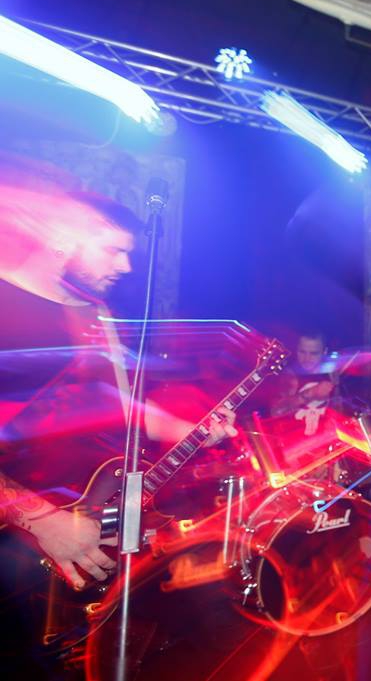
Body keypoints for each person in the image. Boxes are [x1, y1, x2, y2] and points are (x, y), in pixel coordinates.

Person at [0, 187, 236, 593]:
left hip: (76, 543)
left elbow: (119, 409)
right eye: (113, 250)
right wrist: (45, 522)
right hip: (18, 543)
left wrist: (188, 429)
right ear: (61, 237)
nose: (126, 266)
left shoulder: (95, 314)